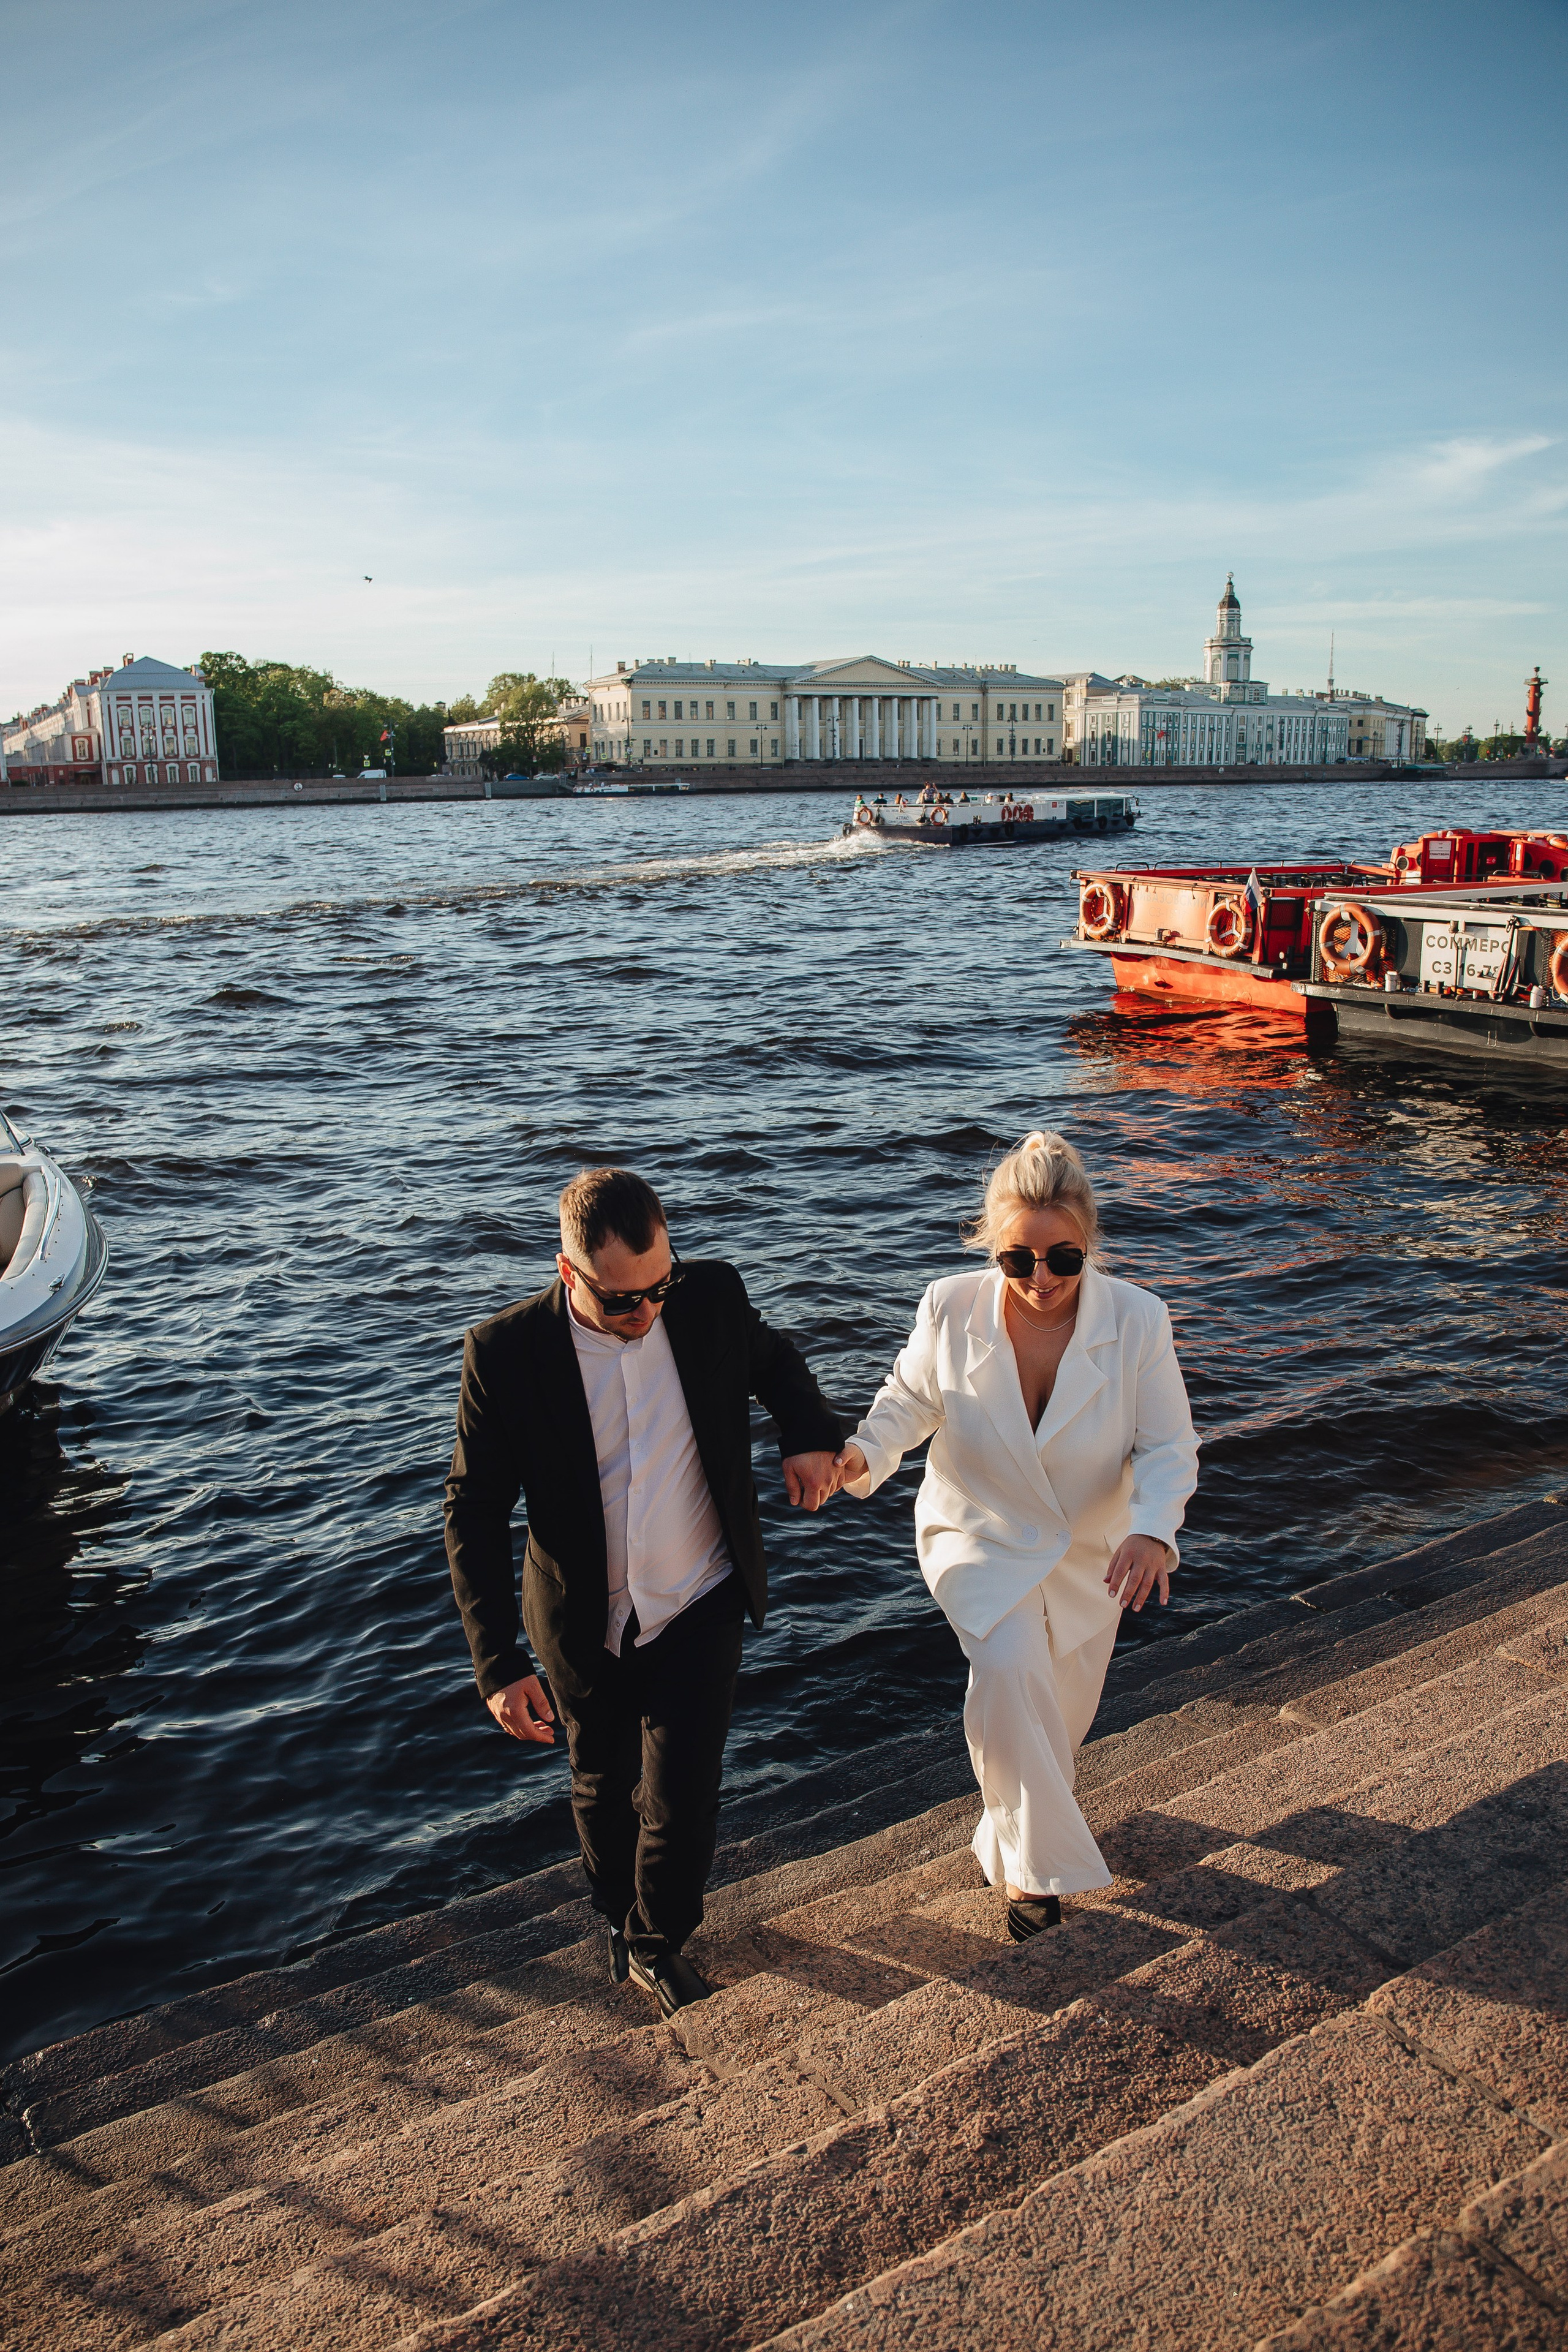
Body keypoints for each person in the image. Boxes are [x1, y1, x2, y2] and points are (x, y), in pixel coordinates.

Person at [444, 1166, 843, 2015]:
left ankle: (658, 1941)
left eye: (659, 1286)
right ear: (567, 1272)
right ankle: (617, 1922)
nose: (648, 1311)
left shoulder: (708, 1297)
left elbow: (776, 1367)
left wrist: (807, 1436)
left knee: (684, 1797)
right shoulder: (505, 1353)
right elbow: (473, 1510)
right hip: (583, 1618)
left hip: (699, 1595)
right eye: (623, 1301)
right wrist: (496, 1664)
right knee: (600, 1780)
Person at [833, 1131, 1197, 1942]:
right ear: (990, 1249)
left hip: (1088, 1555)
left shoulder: (1138, 1321)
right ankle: (1036, 1886)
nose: (1040, 1280)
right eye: (1016, 1260)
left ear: (1088, 1245)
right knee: (1005, 1672)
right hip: (978, 1535)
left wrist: (1151, 1532)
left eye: (1062, 1260)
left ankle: (1003, 1839)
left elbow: (1170, 1446)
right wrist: (862, 1455)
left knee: (1052, 1724)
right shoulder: (949, 1307)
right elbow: (908, 1404)